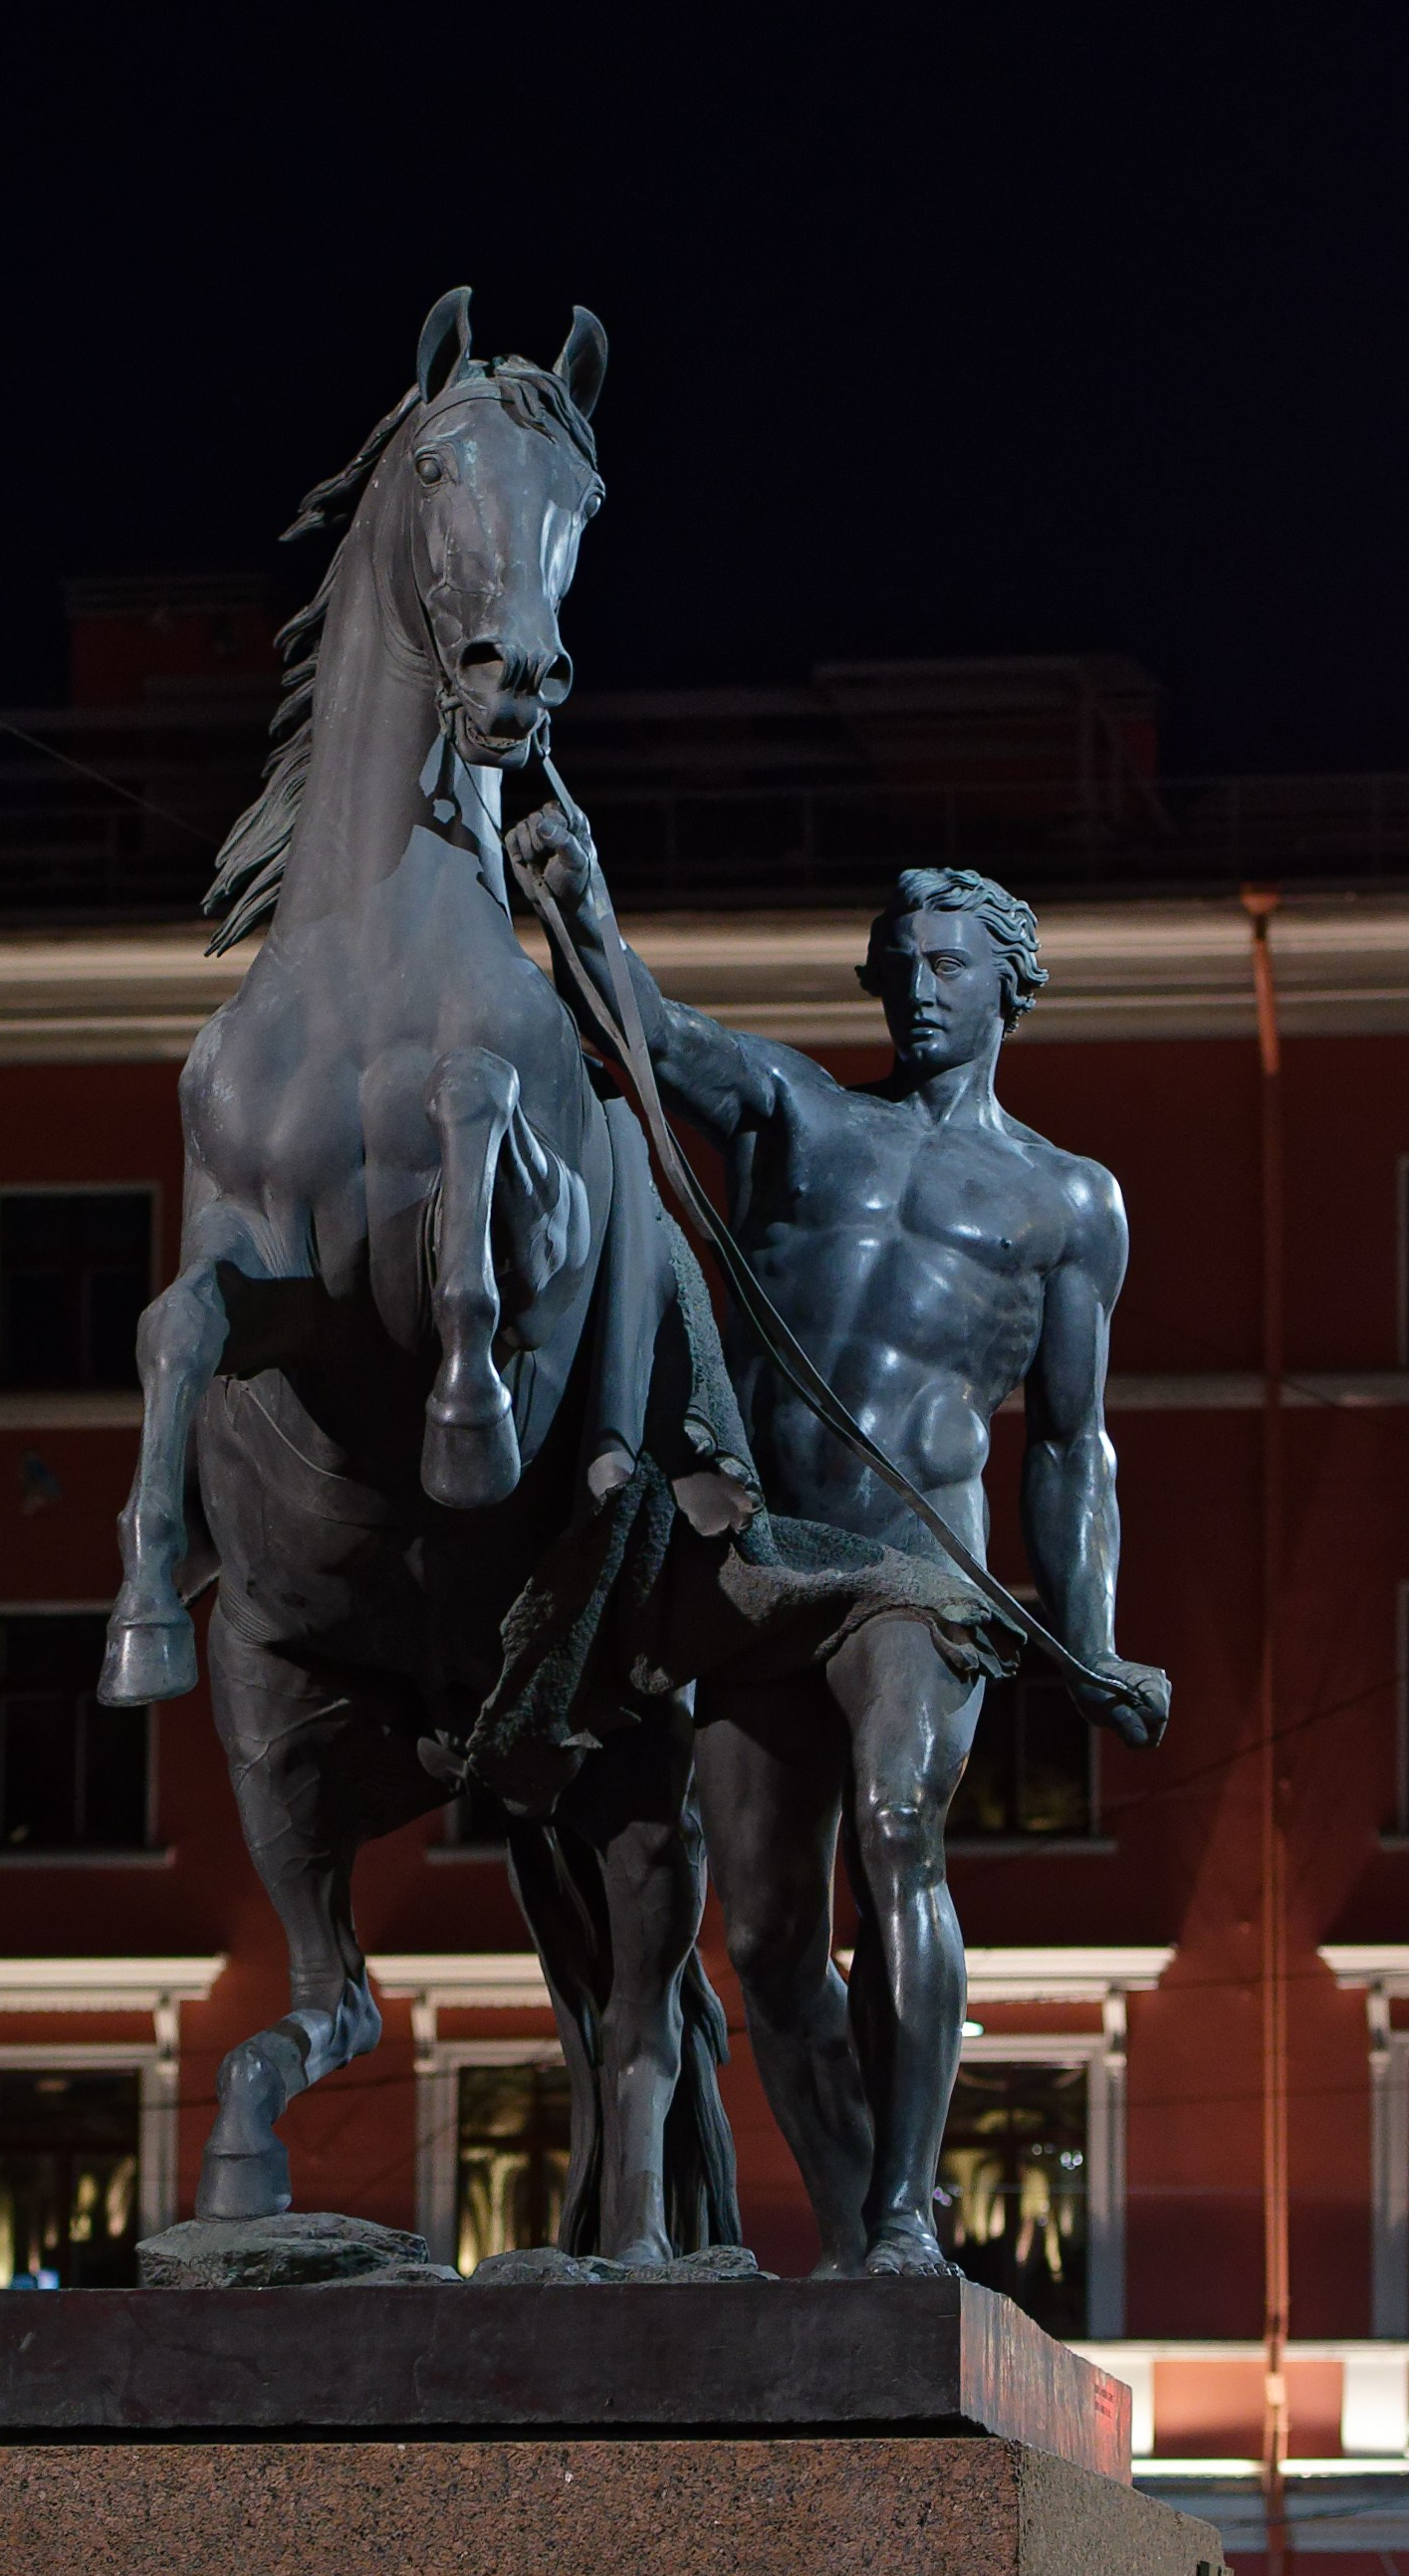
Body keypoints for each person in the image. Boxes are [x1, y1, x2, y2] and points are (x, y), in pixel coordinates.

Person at [507, 810, 1170, 2274]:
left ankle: (901, 2224)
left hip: (921, 1576)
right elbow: (647, 1026)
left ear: (1010, 985)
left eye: (950, 961)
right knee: (764, 1952)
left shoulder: (1070, 1204)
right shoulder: (799, 1115)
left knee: (898, 1836)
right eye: (901, 963)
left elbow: (1070, 1438)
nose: (922, 985)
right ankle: (864, 2230)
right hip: (763, 1561)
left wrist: (1095, 1632)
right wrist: (583, 887)